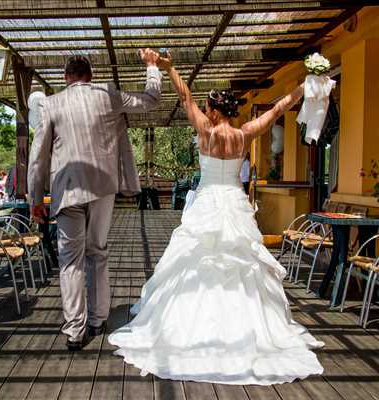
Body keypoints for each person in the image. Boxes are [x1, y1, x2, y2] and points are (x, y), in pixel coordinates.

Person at [109, 52, 324, 385]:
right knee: (243, 264)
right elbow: (279, 108)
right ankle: (247, 328)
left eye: (207, 106)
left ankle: (188, 324)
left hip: (208, 202)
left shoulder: (206, 132)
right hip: (235, 204)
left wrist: (169, 68)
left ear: (211, 109)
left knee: (195, 262)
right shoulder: (245, 133)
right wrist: (305, 87)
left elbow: (183, 96)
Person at [28, 49, 162, 351]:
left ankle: (75, 330)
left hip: (67, 191)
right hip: (103, 188)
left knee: (70, 262)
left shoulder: (50, 104)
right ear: (91, 76)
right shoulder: (108, 94)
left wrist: (35, 199)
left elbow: (38, 159)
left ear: (66, 78)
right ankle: (98, 318)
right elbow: (151, 100)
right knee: (97, 252)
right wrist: (152, 67)